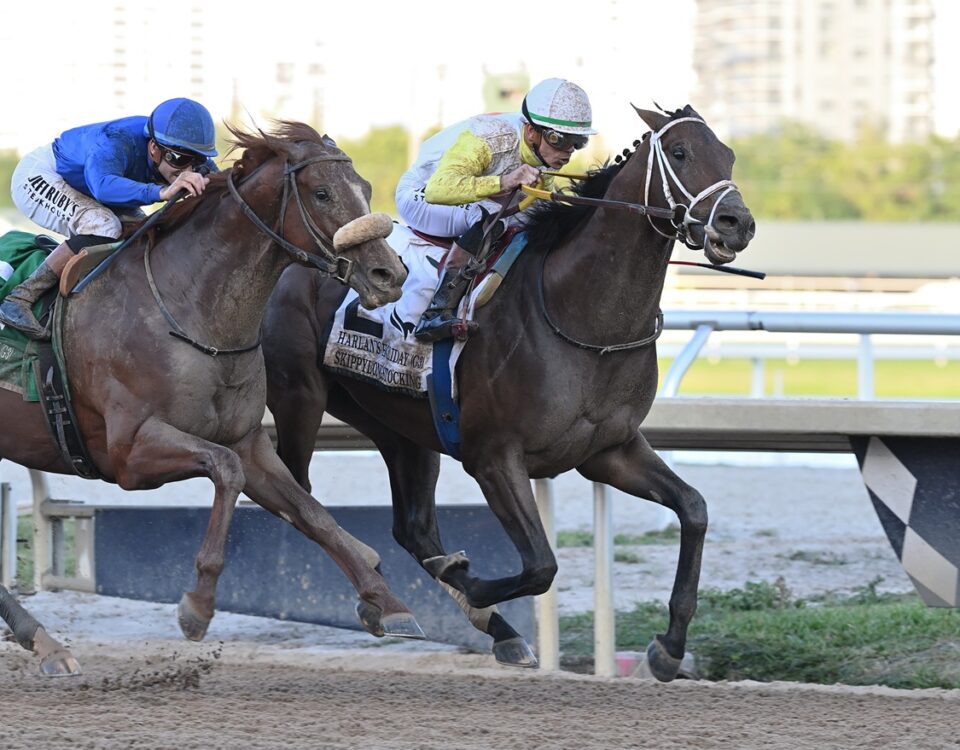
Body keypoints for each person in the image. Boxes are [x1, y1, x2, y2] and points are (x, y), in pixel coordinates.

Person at [395, 78, 596, 342]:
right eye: (559, 139)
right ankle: (436, 312)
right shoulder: (490, 138)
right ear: (531, 131)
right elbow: (437, 189)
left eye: (578, 142)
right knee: (488, 214)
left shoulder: (544, 157)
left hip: (463, 198)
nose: (568, 151)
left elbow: (537, 209)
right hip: (422, 194)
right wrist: (504, 182)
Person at [0, 97, 218, 339]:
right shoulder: (117, 139)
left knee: (144, 231)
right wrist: (161, 192)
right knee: (104, 226)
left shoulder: (175, 149)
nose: (187, 170)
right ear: (154, 148)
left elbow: (220, 183)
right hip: (43, 175)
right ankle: (20, 298)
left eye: (196, 160)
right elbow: (102, 186)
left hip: (88, 185)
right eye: (179, 160)